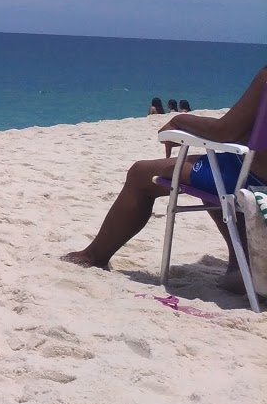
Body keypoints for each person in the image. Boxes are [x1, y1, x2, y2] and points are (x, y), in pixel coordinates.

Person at [63, 66, 267, 290]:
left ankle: (93, 256)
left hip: (250, 178)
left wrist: (180, 120)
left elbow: (225, 131)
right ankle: (241, 263)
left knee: (141, 174)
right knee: (208, 171)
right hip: (246, 169)